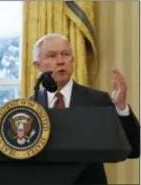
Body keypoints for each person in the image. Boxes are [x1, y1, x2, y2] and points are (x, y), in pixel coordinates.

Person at [29, 33, 140, 184]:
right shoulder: (30, 105)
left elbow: (133, 149)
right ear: (38, 65)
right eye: (52, 56)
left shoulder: (97, 100)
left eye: (66, 54)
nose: (61, 61)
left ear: (72, 60)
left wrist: (121, 107)